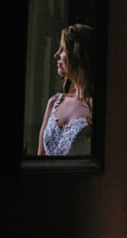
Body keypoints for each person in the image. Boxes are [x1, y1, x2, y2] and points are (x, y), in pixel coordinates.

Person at [38, 23, 94, 156]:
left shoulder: (95, 107)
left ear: (78, 55)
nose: (56, 55)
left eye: (62, 49)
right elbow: (40, 157)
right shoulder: (54, 102)